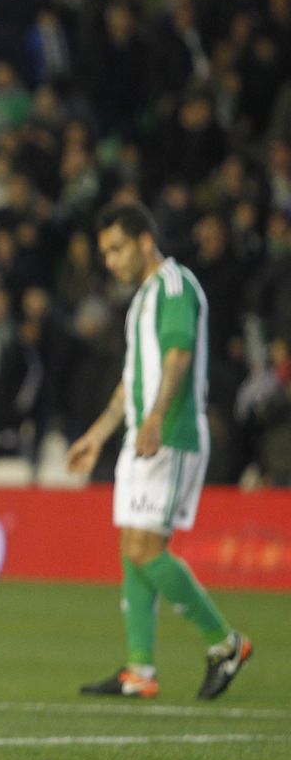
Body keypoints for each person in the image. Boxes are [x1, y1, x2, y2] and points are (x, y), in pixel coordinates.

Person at [68, 203, 253, 700]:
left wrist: (154, 418)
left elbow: (179, 354)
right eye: (104, 251)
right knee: (131, 549)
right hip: (141, 435)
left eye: (115, 249)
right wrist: (99, 433)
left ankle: (225, 642)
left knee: (145, 549)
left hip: (170, 435)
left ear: (144, 241)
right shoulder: (143, 299)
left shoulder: (175, 286)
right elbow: (132, 382)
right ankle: (139, 670)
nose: (108, 260)